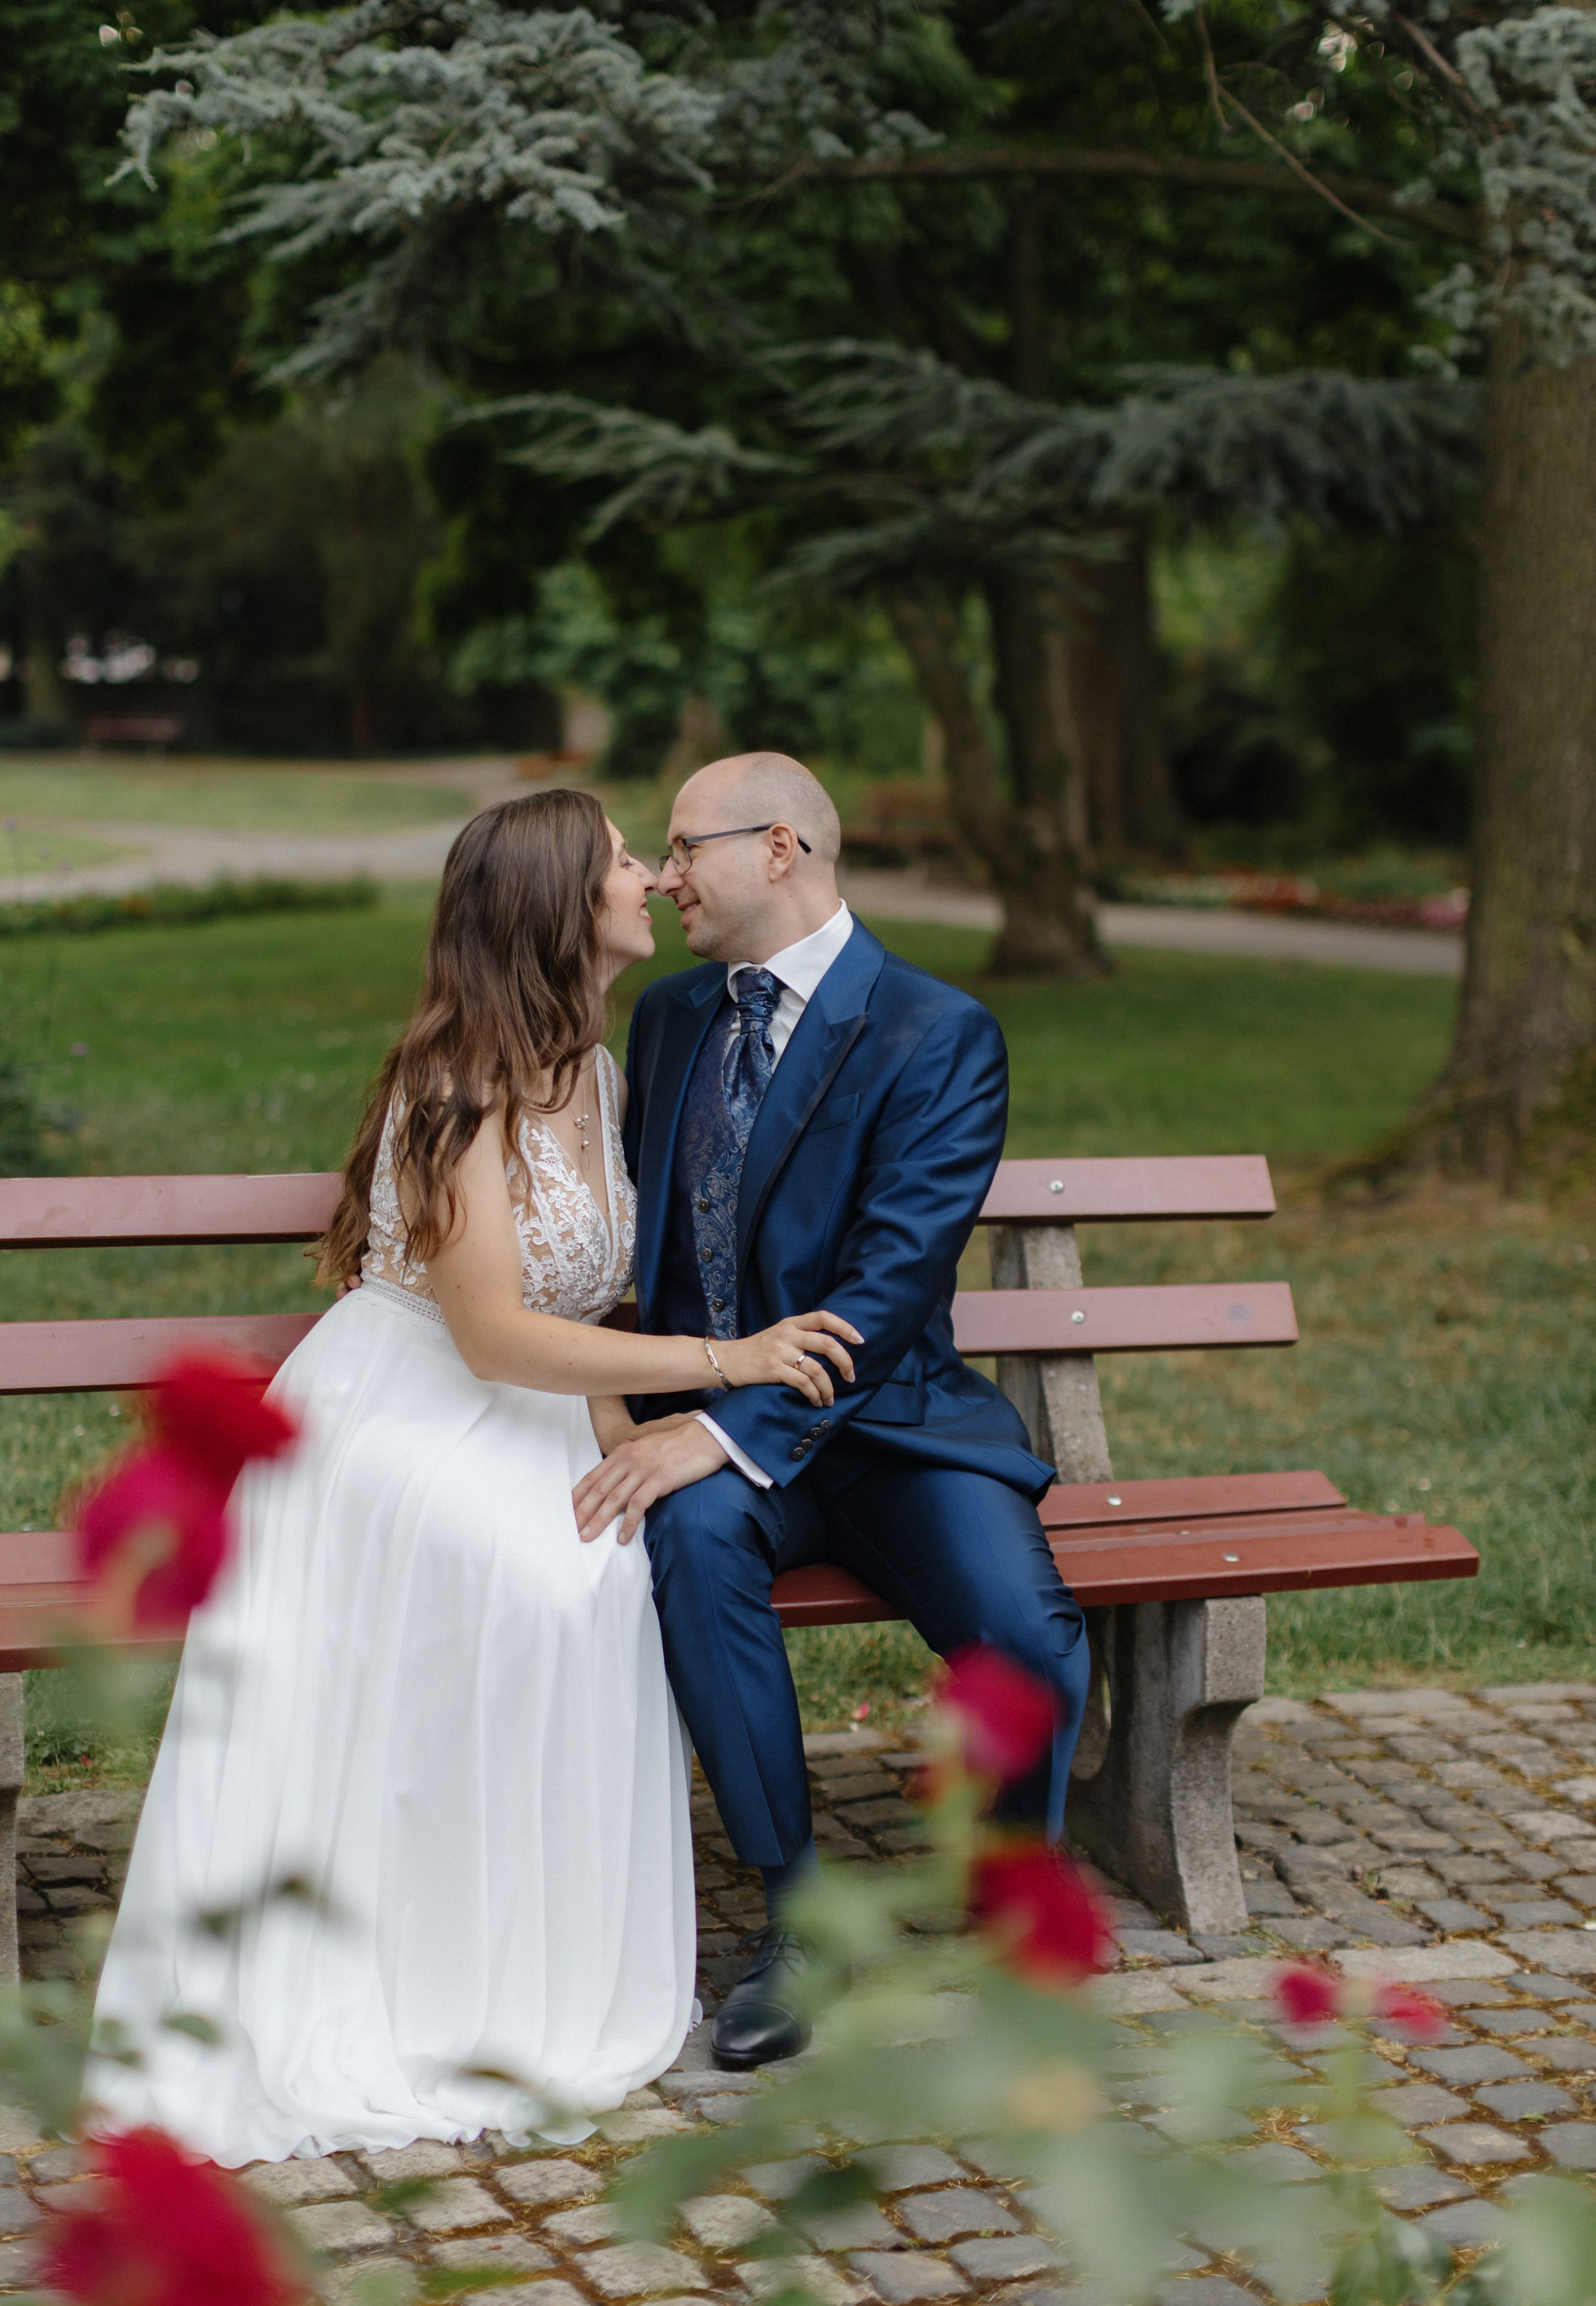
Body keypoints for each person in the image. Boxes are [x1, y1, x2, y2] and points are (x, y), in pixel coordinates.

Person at [90, 788, 860, 2166]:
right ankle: (434, 1973)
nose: (648, 877)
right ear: (559, 904)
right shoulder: (456, 1083)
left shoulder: (599, 1067)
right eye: (625, 858)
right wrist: (727, 1360)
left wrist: (632, 1443)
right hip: (399, 1423)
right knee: (534, 1580)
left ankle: (541, 1968)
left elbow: (589, 1313)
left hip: (530, 1416)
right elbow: (492, 1331)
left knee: (618, 1560)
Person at [574, 753, 1090, 2071]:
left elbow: (889, 1281)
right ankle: (790, 1919)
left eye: (688, 847)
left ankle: (1008, 1877)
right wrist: (681, 1409)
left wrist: (725, 1427)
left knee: (1023, 1634)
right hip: (732, 1439)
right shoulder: (673, 1017)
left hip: (899, 1433)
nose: (666, 873)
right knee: (687, 1542)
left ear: (783, 848)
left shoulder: (936, 1031)